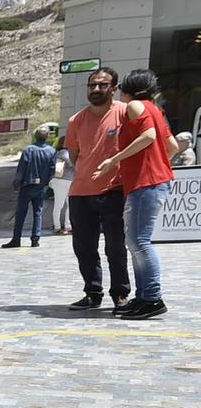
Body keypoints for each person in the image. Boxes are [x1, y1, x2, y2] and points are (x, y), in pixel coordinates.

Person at [92, 69, 178, 320]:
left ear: (126, 89)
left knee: (139, 241)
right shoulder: (155, 109)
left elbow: (149, 136)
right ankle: (143, 297)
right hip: (154, 181)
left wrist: (114, 160)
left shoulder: (135, 106)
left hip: (145, 183)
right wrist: (156, 163)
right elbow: (172, 146)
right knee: (137, 242)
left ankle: (152, 298)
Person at [64, 68, 130, 311]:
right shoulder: (76, 120)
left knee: (115, 246)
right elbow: (74, 156)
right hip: (81, 193)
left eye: (102, 85)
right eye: (92, 85)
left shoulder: (125, 113)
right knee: (84, 248)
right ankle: (92, 292)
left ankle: (120, 294)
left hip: (115, 190)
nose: (96, 89)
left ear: (114, 88)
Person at [3, 127, 56, 248]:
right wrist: (47, 183)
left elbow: (21, 169)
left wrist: (16, 183)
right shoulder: (51, 151)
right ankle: (35, 239)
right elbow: (52, 170)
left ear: (35, 136)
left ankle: (16, 239)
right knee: (38, 212)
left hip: (27, 185)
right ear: (47, 137)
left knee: (21, 213)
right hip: (40, 186)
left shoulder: (28, 150)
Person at [49, 136, 74, 235]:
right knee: (69, 205)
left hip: (60, 181)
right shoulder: (67, 153)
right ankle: (67, 226)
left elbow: (58, 170)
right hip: (68, 181)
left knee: (58, 205)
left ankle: (57, 226)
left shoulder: (59, 153)